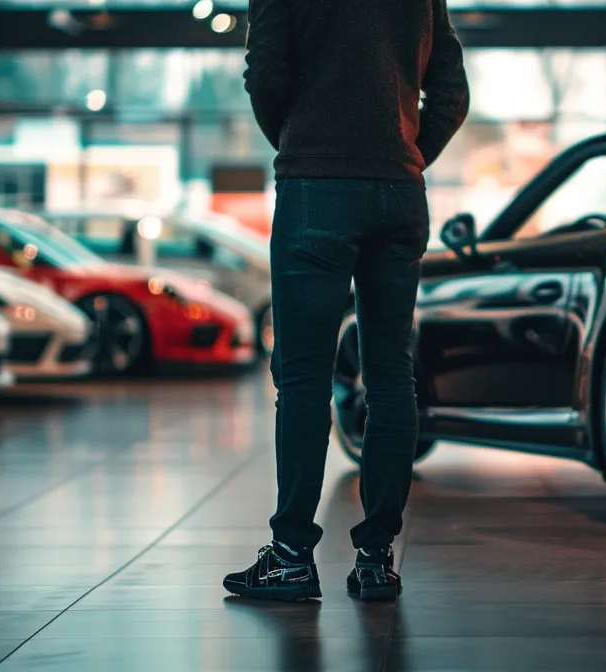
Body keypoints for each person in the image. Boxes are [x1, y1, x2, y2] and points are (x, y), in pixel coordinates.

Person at [222, 0, 469, 602]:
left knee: (304, 376)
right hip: (400, 194)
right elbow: (451, 91)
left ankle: (291, 558)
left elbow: (267, 75)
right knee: (390, 375)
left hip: (316, 191)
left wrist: (303, 144)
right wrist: (406, 153)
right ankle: (377, 557)